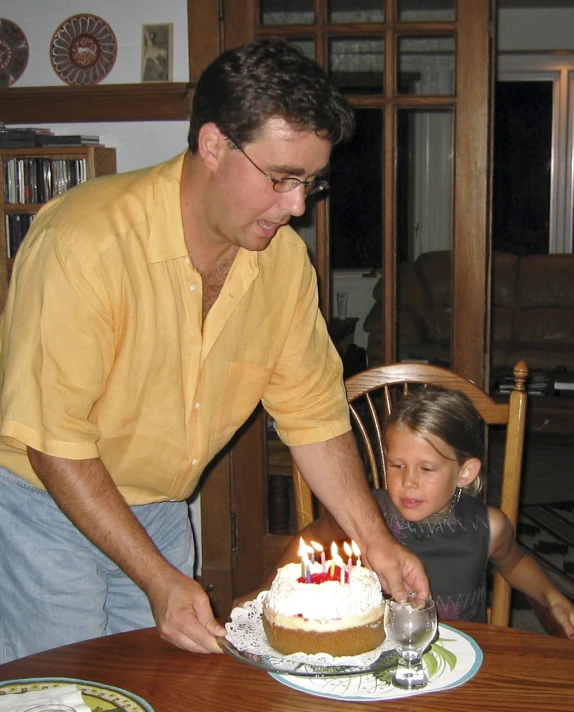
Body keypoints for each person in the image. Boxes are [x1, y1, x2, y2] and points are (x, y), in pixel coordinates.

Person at [0, 37, 429, 664]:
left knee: (164, 688)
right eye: (281, 179)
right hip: (46, 511)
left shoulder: (282, 265)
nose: (297, 206)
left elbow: (312, 415)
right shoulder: (82, 243)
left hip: (163, 513)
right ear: (213, 145)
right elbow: (55, 442)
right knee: (70, 688)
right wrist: (157, 578)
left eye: (310, 181)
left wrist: (377, 540)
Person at [256, 387, 574, 638]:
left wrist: (551, 597)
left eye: (426, 468)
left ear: (465, 473)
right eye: (397, 465)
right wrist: (265, 597)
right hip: (377, 656)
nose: (408, 482)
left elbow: (515, 562)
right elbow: (310, 538)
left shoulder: (488, 526)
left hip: (463, 657)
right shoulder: (367, 517)